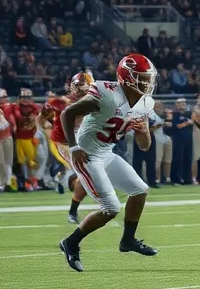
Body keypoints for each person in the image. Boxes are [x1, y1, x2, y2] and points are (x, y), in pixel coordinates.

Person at [57, 55, 159, 272]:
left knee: (140, 190)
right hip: (86, 155)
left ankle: (128, 240)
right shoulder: (107, 94)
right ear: (126, 78)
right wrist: (73, 147)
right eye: (141, 78)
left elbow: (145, 146)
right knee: (111, 208)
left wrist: (144, 131)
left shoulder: (145, 103)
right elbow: (67, 113)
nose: (147, 83)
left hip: (106, 152)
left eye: (148, 78)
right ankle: (71, 243)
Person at [42, 72, 94, 218]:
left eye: (85, 88)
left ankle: (59, 179)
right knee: (76, 169)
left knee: (79, 168)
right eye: (80, 88)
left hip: (76, 140)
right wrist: (42, 130)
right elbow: (41, 117)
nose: (83, 91)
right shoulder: (60, 102)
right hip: (61, 142)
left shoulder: (91, 101)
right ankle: (74, 199)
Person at [12, 88, 41, 191]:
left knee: (32, 161)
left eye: (28, 97)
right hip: (19, 138)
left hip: (30, 138)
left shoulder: (34, 107)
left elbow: (38, 110)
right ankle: (25, 182)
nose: (26, 99)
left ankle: (33, 181)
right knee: (21, 162)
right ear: (19, 98)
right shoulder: (15, 107)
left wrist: (35, 113)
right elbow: (18, 116)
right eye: (23, 97)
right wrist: (30, 116)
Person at [0, 89, 13, 191]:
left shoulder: (10, 107)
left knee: (8, 161)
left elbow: (6, 124)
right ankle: (1, 183)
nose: (3, 99)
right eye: (1, 98)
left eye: (4, 97)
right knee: (1, 162)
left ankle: (8, 183)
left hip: (7, 135)